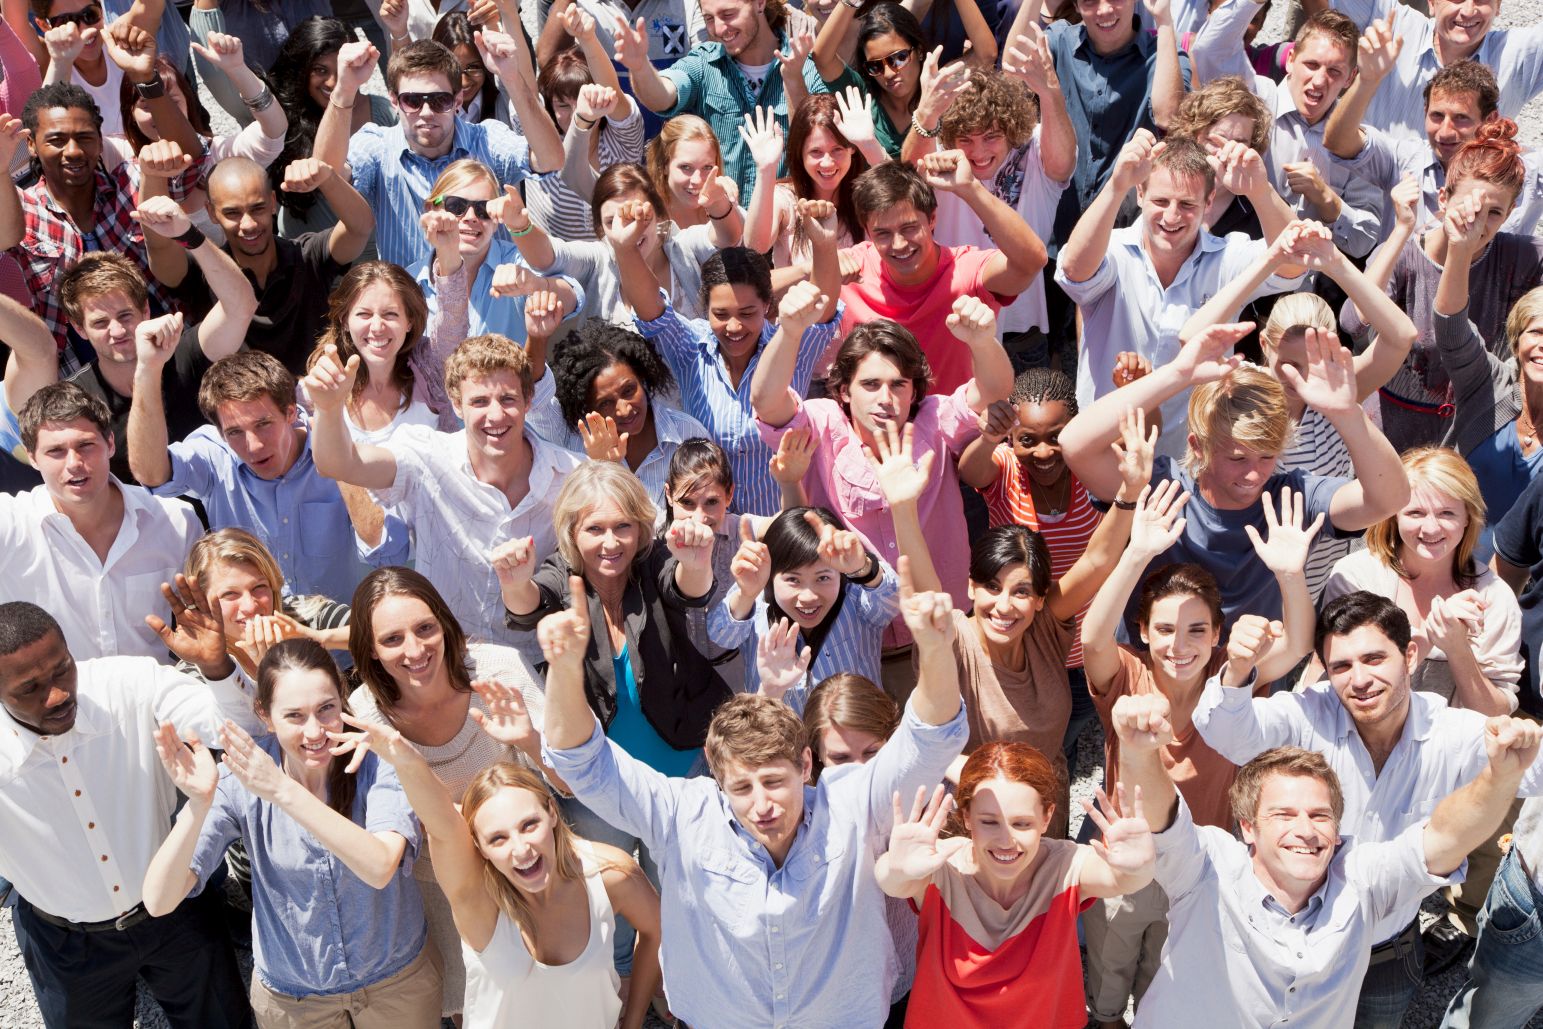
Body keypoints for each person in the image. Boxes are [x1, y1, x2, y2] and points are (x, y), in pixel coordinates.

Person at [539, 547, 970, 1027]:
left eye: (773, 781)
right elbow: (583, 764)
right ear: (715, 775)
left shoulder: (852, 803)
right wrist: (563, 669)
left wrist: (934, 651)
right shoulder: (682, 814)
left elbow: (929, 738)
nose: (761, 804)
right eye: (741, 787)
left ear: (806, 764)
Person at [1192, 591, 1543, 1025]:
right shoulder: (1308, 713)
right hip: (1293, 938)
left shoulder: (1452, 731)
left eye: (1374, 659)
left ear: (1410, 656)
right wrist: (1239, 669)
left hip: (1388, 948)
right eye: (1341, 666)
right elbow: (1226, 732)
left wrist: (1521, 744)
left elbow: (1533, 770)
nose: (1358, 679)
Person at [1114, 690, 1543, 1028]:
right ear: (1247, 827)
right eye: (1283, 814)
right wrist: (1138, 752)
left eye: (1320, 815)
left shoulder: (1361, 877)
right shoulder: (1208, 868)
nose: (1305, 829)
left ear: (1338, 829)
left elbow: (1446, 836)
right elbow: (1163, 817)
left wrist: (1499, 777)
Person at [1079, 477, 1317, 1026]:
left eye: (1195, 630)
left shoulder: (1231, 685)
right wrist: (1138, 551)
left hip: (1201, 865)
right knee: (1110, 970)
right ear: (1141, 631)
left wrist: (1289, 573)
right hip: (1124, 858)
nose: (1178, 645)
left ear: (1217, 636)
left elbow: (1300, 643)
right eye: (1163, 629)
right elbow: (1092, 638)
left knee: (1171, 973)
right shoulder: (1128, 676)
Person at [141, 639, 442, 1027]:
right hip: (294, 997)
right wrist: (199, 805)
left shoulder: (376, 762)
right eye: (295, 716)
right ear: (265, 716)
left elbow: (380, 865)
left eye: (326, 709)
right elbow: (158, 900)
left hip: (396, 979)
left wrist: (283, 791)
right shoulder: (243, 777)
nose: (315, 730)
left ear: (342, 699)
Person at [0, 601, 259, 1029]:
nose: (58, 694)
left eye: (63, 669)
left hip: (179, 914)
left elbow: (239, 730)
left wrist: (217, 668)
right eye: (29, 689)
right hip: (65, 946)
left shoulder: (131, 682)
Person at [1060, 321, 1409, 635]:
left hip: (1248, 686)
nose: (1254, 473)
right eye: (1237, 458)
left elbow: (1388, 499)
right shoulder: (1162, 490)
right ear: (1198, 447)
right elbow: (1075, 444)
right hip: (1151, 678)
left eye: (1268, 457)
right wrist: (1178, 373)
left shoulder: (1291, 499)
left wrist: (1347, 413)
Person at [328, 723, 664, 1029]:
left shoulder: (610, 875)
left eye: (528, 825)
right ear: (479, 847)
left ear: (551, 813)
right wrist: (404, 760)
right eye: (498, 838)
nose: (521, 849)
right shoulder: (479, 902)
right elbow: (442, 822)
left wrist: (633, 1019)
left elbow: (655, 928)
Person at [345, 566, 550, 1020]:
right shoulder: (363, 713)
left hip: (525, 867)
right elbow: (390, 823)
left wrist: (531, 741)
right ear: (372, 652)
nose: (415, 650)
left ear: (445, 624)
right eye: (392, 639)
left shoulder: (498, 671)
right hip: (436, 889)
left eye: (425, 628)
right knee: (471, 1008)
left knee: (546, 994)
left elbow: (570, 783)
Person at [1177, 213, 1417, 597]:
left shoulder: (1341, 387)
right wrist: (1269, 262)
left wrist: (1337, 264)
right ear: (1266, 347)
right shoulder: (1243, 389)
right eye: (1288, 363)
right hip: (1249, 575)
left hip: (1323, 574)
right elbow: (1190, 339)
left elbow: (1401, 336)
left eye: (1313, 363)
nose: (1299, 378)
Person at [943, 407, 1152, 840]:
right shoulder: (950, 640)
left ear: (1040, 599)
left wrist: (1130, 490)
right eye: (991, 587)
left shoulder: (1043, 627)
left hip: (1043, 814)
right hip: (974, 822)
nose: (1004, 606)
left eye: (1020, 592)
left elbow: (1096, 559)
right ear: (970, 587)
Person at [753, 293, 1012, 643]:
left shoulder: (935, 418)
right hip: (851, 634)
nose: (885, 399)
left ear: (914, 392)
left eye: (898, 385)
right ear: (844, 391)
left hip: (936, 628)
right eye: (871, 384)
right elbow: (766, 401)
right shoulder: (822, 423)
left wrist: (982, 342)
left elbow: (994, 390)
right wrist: (790, 332)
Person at [308, 334, 582, 657]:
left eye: (507, 399)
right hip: (441, 661)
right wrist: (328, 409)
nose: (495, 416)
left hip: (536, 665)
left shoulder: (571, 476)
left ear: (529, 399)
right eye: (479, 401)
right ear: (456, 404)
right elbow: (340, 464)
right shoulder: (425, 456)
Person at [1053, 133, 1303, 456]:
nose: (1172, 216)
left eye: (1187, 205)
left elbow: (1294, 261)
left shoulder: (1227, 256)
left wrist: (1261, 191)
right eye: (1161, 201)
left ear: (1208, 203)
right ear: (1140, 193)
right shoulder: (1111, 248)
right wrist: (1116, 187)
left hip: (1190, 464)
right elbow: (1074, 271)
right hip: (1102, 453)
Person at [877, 745, 1155, 1027]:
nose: (1006, 840)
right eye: (989, 822)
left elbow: (1121, 878)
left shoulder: (1064, 865)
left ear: (1047, 818)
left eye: (1021, 823)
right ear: (966, 817)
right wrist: (896, 867)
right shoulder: (941, 867)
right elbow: (891, 881)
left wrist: (1139, 865)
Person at [498, 461, 726, 776]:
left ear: (639, 527)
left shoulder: (654, 559)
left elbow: (685, 588)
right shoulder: (563, 575)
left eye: (622, 526)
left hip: (690, 768)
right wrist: (515, 583)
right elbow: (528, 606)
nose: (611, 543)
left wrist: (697, 564)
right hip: (610, 785)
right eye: (595, 529)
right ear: (572, 532)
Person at [126, 349, 406, 602]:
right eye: (235, 432)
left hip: (340, 649)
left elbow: (388, 553)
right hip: (258, 652)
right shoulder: (214, 455)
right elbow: (150, 474)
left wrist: (336, 446)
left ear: (290, 413)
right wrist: (147, 370)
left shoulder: (342, 445)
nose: (254, 445)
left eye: (263, 424)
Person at [1342, 119, 1543, 453]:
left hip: (1465, 435)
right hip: (1387, 427)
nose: (1479, 222)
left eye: (1495, 212)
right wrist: (1401, 230)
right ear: (1443, 199)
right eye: (1472, 206)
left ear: (1509, 215)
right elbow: (1353, 320)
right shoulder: (1404, 254)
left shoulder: (1519, 257)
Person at [620, 217, 844, 516]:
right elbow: (651, 310)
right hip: (706, 528)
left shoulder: (792, 343)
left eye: (747, 312)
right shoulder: (690, 346)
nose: (734, 326)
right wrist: (624, 248)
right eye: (721, 314)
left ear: (767, 306)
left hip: (776, 526)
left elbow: (823, 307)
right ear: (706, 309)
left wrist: (825, 242)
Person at [313, 36, 561, 270]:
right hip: (413, 305)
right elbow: (326, 176)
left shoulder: (487, 139)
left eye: (439, 100)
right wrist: (344, 89)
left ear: (457, 100)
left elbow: (551, 159)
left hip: (491, 298)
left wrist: (512, 78)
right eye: (412, 100)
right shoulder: (377, 146)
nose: (426, 112)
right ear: (394, 101)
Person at [1, 383, 200, 660]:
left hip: (155, 698)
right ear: (32, 457)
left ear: (109, 444)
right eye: (56, 451)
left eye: (85, 445)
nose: (74, 463)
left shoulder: (176, 521)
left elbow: (209, 625)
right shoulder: (9, 524)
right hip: (51, 702)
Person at [11, 83, 206, 364]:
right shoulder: (21, 211)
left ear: (101, 142)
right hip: (84, 383)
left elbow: (194, 162)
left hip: (171, 355)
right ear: (31, 145)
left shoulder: (132, 182)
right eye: (57, 140)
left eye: (85, 137)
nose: (74, 151)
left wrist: (147, 80)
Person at [1324, 448, 1523, 716]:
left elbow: (1495, 716)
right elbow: (1342, 685)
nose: (1430, 529)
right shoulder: (1355, 576)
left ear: (1468, 517)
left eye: (1447, 514)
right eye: (1416, 513)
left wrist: (1457, 647)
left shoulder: (1495, 598)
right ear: (1394, 514)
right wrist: (1427, 639)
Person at [916, 49, 1075, 367]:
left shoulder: (1034, 154)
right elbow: (909, 177)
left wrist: (1048, 90)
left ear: (1012, 131)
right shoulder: (942, 157)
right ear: (949, 138)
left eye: (991, 137)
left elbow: (1063, 163)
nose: (978, 152)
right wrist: (926, 115)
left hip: (1021, 339)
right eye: (966, 140)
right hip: (951, 329)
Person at [1000, 0, 1187, 270]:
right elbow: (1013, 73)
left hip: (1123, 248)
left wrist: (1165, 21)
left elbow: (1168, 116)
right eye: (1090, 1)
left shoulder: (1164, 54)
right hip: (1053, 235)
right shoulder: (1059, 39)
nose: (1104, 10)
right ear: (1076, 4)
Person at [151, 154, 375, 376]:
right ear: (211, 213)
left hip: (317, 396)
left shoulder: (307, 255)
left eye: (257, 208)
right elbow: (158, 247)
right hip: (239, 407)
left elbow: (360, 228)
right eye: (232, 213)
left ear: (272, 203)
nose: (248, 224)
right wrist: (151, 174)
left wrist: (328, 177)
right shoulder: (203, 274)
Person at [840, 156, 1046, 395]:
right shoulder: (850, 268)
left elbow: (1031, 261)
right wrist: (822, 259)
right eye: (883, 233)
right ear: (867, 232)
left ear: (933, 219)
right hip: (874, 427)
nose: (898, 244)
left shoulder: (965, 270)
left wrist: (970, 187)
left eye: (909, 228)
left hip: (954, 428)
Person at [1189, 4, 1382, 257]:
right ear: (1290, 60)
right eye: (1312, 65)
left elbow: (1363, 242)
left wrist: (1326, 198)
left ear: (1349, 78)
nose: (1320, 80)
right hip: (1232, 260)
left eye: (1334, 71)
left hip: (1305, 283)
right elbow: (1210, 50)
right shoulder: (1257, 98)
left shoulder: (1358, 141)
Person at [410, 158, 582, 406]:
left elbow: (573, 296)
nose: (470, 217)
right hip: (438, 426)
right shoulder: (410, 281)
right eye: (456, 206)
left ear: (497, 217)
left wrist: (535, 285)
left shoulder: (514, 260)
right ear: (432, 209)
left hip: (508, 418)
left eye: (483, 209)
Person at [611, 0, 826, 195]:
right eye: (709, 19)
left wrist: (793, 81)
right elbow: (662, 96)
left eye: (728, 14)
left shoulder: (805, 65)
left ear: (760, 3)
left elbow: (818, 144)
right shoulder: (705, 62)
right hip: (720, 227)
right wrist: (639, 67)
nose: (720, 29)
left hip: (784, 226)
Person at [1324, 48, 1543, 239]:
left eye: (1461, 118)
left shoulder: (1525, 173)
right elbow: (1337, 141)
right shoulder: (1404, 159)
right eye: (1437, 116)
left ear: (1490, 120)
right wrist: (1366, 81)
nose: (1445, 132)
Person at [1431, 180, 1543, 531]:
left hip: (1524, 578)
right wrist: (1460, 251)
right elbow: (1451, 328)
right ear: (1516, 338)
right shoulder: (1487, 381)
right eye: (1537, 333)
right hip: (1447, 550)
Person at [112, 32, 290, 247]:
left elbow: (274, 131)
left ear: (189, 103)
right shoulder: (122, 161)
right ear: (129, 112)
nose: (161, 113)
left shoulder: (217, 154)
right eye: (147, 107)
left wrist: (237, 69)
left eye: (173, 102)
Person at [711, 505, 900, 704]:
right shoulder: (755, 601)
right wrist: (745, 595)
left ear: (841, 572)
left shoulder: (856, 598)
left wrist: (863, 568)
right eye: (793, 580)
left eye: (823, 578)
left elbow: (892, 598)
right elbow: (721, 634)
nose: (808, 596)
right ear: (771, 575)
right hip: (778, 734)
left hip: (863, 733)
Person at [524, 161, 740, 324]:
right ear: (600, 229)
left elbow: (728, 238)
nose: (629, 230)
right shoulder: (597, 259)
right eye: (612, 221)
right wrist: (519, 225)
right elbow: (548, 257)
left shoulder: (684, 247)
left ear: (658, 214)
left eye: (639, 216)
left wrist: (718, 203)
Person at [536, 319, 709, 504]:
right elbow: (535, 396)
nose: (624, 409)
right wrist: (536, 336)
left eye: (629, 391)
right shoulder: (571, 438)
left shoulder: (688, 434)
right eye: (606, 403)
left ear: (642, 378)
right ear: (587, 406)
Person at [1325, 0, 1543, 145]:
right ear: (1431, 2)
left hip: (1456, 212)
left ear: (1498, 6)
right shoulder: (1391, 22)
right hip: (1365, 201)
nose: (1468, 11)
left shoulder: (1515, 54)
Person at [810, 1, 995, 163]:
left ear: (919, 51)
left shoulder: (939, 88)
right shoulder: (861, 97)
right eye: (875, 66)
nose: (889, 73)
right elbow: (822, 58)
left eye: (899, 58)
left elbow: (986, 56)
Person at [266, 15, 398, 242]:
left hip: (377, 256)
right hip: (312, 257)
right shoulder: (282, 117)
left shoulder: (383, 113)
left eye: (342, 68)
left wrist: (400, 33)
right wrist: (235, 67)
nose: (333, 82)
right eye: (320, 70)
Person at [306, 261, 454, 441]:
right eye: (364, 314)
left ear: (409, 322)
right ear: (344, 320)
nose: (377, 327)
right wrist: (325, 408)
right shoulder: (317, 387)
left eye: (390, 314)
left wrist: (448, 252)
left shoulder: (431, 372)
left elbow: (454, 320)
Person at [180, 528, 353, 678]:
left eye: (259, 587)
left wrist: (315, 638)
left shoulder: (303, 615)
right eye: (230, 594)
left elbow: (375, 631)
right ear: (201, 600)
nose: (250, 606)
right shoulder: (197, 667)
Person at [532, 16, 645, 240]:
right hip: (555, 267)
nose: (577, 112)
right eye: (563, 105)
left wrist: (589, 39)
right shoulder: (539, 142)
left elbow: (615, 94)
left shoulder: (622, 141)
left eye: (586, 100)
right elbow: (521, 90)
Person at [742, 91, 879, 272]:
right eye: (816, 152)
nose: (827, 162)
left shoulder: (867, 195)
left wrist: (870, 145)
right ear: (800, 153)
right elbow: (755, 247)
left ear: (852, 148)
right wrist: (765, 170)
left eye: (837, 149)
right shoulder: (786, 198)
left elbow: (904, 204)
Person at [1166, 75, 1275, 237]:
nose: (1225, 154)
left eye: (1238, 143)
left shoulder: (1265, 209)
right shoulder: (1154, 188)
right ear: (1193, 135)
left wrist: (1263, 194)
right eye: (1215, 140)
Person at [644, 114, 745, 238]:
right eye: (686, 167)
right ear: (665, 165)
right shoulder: (646, 216)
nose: (697, 180)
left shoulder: (728, 209)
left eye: (707, 167)